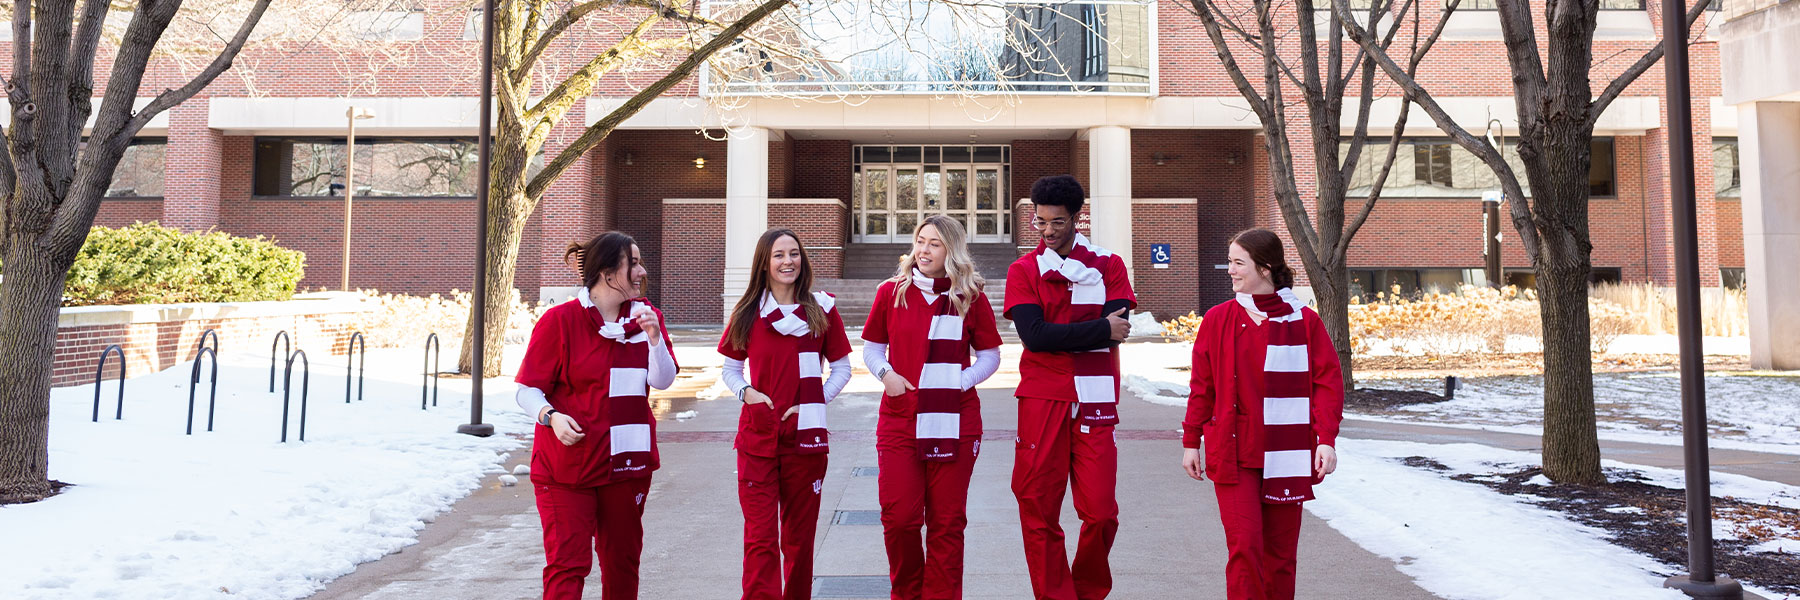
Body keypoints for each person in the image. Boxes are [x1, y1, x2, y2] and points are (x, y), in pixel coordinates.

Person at [1180, 228, 1344, 600]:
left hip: (1286, 453)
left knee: (1281, 557)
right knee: (1245, 549)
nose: (1231, 271)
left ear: (1266, 269)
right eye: (1231, 262)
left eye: (1239, 263)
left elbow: (1327, 385)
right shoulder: (1218, 320)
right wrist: (1192, 441)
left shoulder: (1304, 322)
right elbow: (1201, 387)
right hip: (1234, 453)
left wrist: (1327, 440)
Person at [515, 231, 677, 600]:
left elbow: (663, 380)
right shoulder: (560, 321)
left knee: (622, 564)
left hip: (627, 464)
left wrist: (653, 338)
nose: (641, 270)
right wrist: (551, 416)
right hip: (567, 468)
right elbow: (527, 390)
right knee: (568, 565)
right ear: (606, 272)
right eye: (632, 263)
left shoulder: (647, 317)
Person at [1002, 175, 1135, 600]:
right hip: (1042, 398)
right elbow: (1035, 337)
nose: (1047, 231)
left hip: (1095, 395)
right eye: (1040, 222)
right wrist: (1098, 328)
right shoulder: (1023, 270)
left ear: (1078, 217)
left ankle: (1087, 591)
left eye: (1057, 222)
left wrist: (1085, 331)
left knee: (1101, 513)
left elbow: (1120, 329)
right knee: (1038, 506)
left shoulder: (1109, 265)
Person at [862, 215, 1003, 600]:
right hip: (900, 419)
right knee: (900, 519)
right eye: (920, 241)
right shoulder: (892, 291)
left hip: (955, 420)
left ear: (951, 250)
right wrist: (886, 374)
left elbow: (989, 357)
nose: (924, 250)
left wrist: (955, 382)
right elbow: (873, 348)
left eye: (934, 244)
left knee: (946, 523)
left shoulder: (970, 296)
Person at [719, 228, 854, 600]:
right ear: (765, 263)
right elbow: (730, 370)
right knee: (760, 539)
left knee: (799, 542)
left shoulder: (821, 309)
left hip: (805, 441)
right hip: (757, 440)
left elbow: (842, 368)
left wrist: (815, 402)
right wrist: (747, 394)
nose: (788, 261)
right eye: (778, 255)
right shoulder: (748, 313)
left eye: (794, 253)